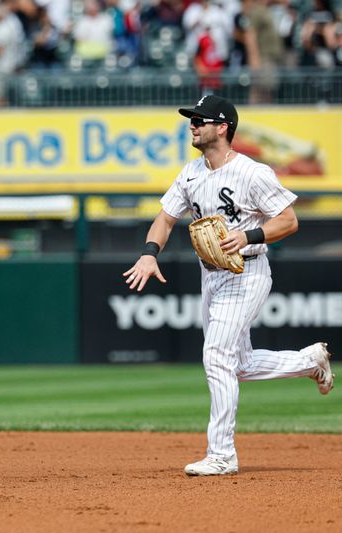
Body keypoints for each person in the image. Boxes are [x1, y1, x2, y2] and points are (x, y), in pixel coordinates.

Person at [122, 95, 334, 477]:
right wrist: (149, 253)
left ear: (223, 128)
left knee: (217, 355)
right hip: (212, 274)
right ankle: (309, 361)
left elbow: (288, 221)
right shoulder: (190, 173)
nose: (193, 124)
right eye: (192, 119)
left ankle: (221, 454)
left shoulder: (253, 173)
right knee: (237, 363)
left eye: (201, 120)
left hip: (247, 271)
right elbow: (165, 219)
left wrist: (249, 234)